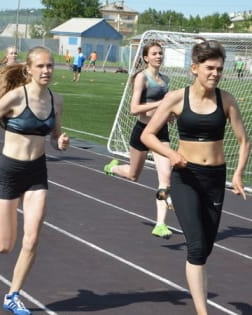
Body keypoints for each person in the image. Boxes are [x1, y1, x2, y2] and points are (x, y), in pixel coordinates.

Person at [141, 39, 250, 315]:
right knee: (197, 246)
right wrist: (170, 153)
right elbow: (147, 135)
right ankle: (203, 312)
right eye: (210, 68)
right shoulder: (177, 98)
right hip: (186, 177)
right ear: (194, 68)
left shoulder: (226, 99)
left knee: (205, 249)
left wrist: (237, 174)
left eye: (219, 69)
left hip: (215, 179)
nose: (215, 73)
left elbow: (243, 140)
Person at [0, 46, 70, 315]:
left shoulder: (56, 100)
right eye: (40, 66)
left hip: (37, 173)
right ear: (28, 69)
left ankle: (13, 294)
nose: (46, 70)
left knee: (32, 238)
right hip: (9, 172)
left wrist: (60, 141)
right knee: (4, 246)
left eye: (50, 66)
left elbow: (55, 136)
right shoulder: (15, 97)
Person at [104, 41, 174, 238]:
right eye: (154, 53)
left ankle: (160, 224)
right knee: (134, 175)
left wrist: (170, 114)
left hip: (161, 131)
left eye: (161, 53)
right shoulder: (141, 78)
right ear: (146, 58)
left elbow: (164, 108)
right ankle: (113, 168)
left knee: (165, 177)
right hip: (143, 131)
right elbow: (134, 109)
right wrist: (162, 103)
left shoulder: (165, 79)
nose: (159, 56)